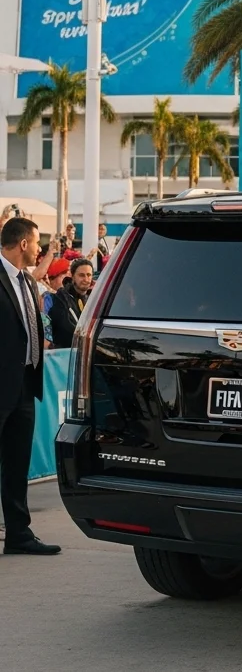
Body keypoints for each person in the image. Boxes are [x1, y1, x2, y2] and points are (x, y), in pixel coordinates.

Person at [0, 217, 61, 555]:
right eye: (37, 243)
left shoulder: (27, 280)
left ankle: (19, 535)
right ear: (23, 243)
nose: (40, 249)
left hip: (24, 383)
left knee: (17, 463)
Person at [49, 257, 94, 349]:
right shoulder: (62, 297)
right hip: (65, 351)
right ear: (72, 276)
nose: (86, 279)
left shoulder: (91, 298)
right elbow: (66, 329)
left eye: (89, 275)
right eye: (81, 275)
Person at [40, 257, 71, 347]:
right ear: (52, 279)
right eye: (65, 276)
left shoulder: (72, 297)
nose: (68, 281)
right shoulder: (48, 298)